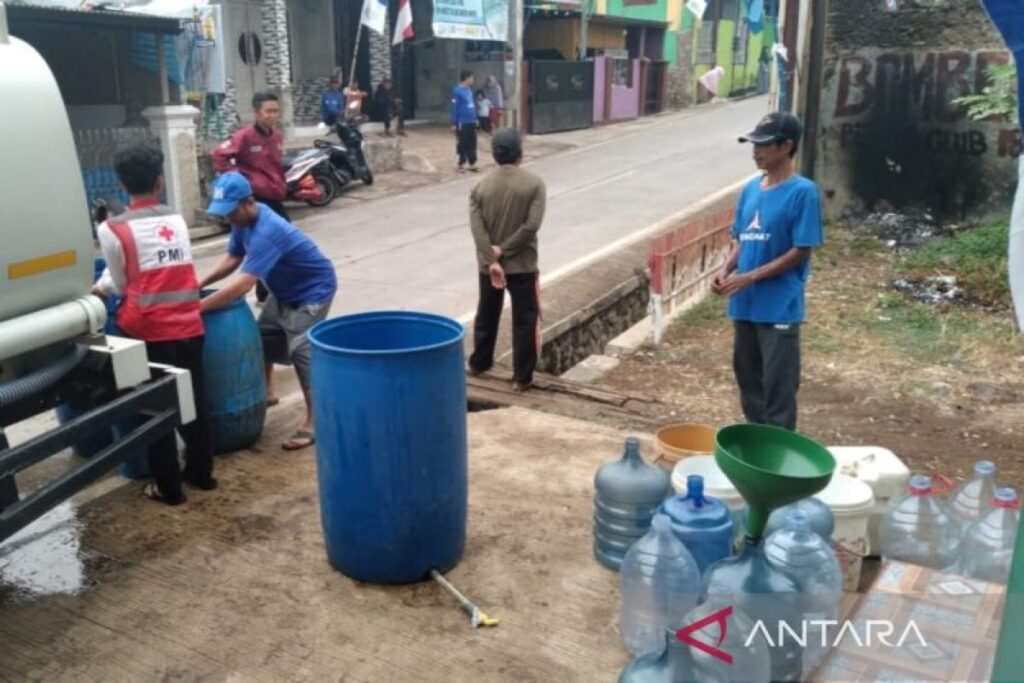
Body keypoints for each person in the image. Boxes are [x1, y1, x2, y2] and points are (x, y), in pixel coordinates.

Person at [92, 145, 216, 505]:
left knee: (155, 410)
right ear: (160, 181)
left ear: (121, 184)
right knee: (193, 401)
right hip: (190, 325)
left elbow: (118, 281)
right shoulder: (177, 220)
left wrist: (96, 292)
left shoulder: (112, 229)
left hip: (146, 330)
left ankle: (168, 487)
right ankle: (202, 474)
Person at [200, 172, 338, 451]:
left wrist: (196, 308)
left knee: (302, 351)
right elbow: (233, 257)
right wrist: (199, 284)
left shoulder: (267, 229)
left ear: (249, 202)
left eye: (231, 212)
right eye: (224, 213)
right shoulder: (244, 220)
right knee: (261, 337)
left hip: (313, 290)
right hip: (284, 290)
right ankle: (267, 392)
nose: (228, 219)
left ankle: (315, 421)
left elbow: (242, 286)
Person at [711, 112, 824, 431]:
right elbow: (743, 238)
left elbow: (801, 249)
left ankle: (777, 451)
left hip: (778, 307)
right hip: (744, 305)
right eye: (753, 144)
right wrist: (726, 269)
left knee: (778, 386)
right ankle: (757, 447)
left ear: (787, 146)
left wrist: (750, 277)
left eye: (763, 145)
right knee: (749, 382)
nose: (755, 151)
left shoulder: (803, 192)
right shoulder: (750, 190)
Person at [467, 129, 546, 391]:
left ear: (495, 155)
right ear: (520, 155)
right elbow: (531, 226)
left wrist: (491, 259)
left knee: (487, 313)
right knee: (526, 319)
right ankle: (521, 377)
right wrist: (504, 250)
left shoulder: (480, 186)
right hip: (522, 265)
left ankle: (479, 363)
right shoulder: (534, 184)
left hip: (488, 268)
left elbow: (477, 230)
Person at [212, 91, 289, 304]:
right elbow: (220, 155)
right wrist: (241, 182)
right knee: (264, 245)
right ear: (257, 113)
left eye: (275, 111)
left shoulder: (276, 136)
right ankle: (264, 296)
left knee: (279, 244)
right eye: (268, 111)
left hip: (275, 197)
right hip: (257, 199)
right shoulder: (244, 136)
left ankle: (270, 292)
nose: (272, 115)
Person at [451, 70, 479, 173]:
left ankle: (472, 162)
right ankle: (461, 164)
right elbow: (455, 107)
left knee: (472, 142)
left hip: (471, 120)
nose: (472, 80)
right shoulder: (457, 91)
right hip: (463, 121)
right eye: (471, 78)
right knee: (463, 142)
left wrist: (475, 118)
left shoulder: (469, 91)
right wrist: (454, 123)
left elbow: (472, 105)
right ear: (466, 78)